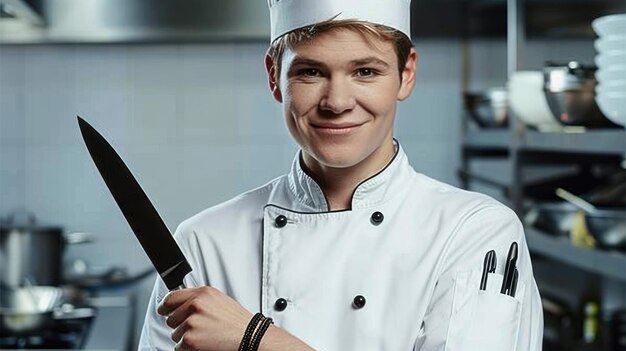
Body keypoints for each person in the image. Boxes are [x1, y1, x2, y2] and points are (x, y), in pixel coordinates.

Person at [139, 0, 544, 350]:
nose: (337, 102)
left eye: (365, 72)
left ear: (406, 74)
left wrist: (257, 340)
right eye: (311, 72)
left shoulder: (474, 232)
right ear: (273, 76)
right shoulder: (204, 242)